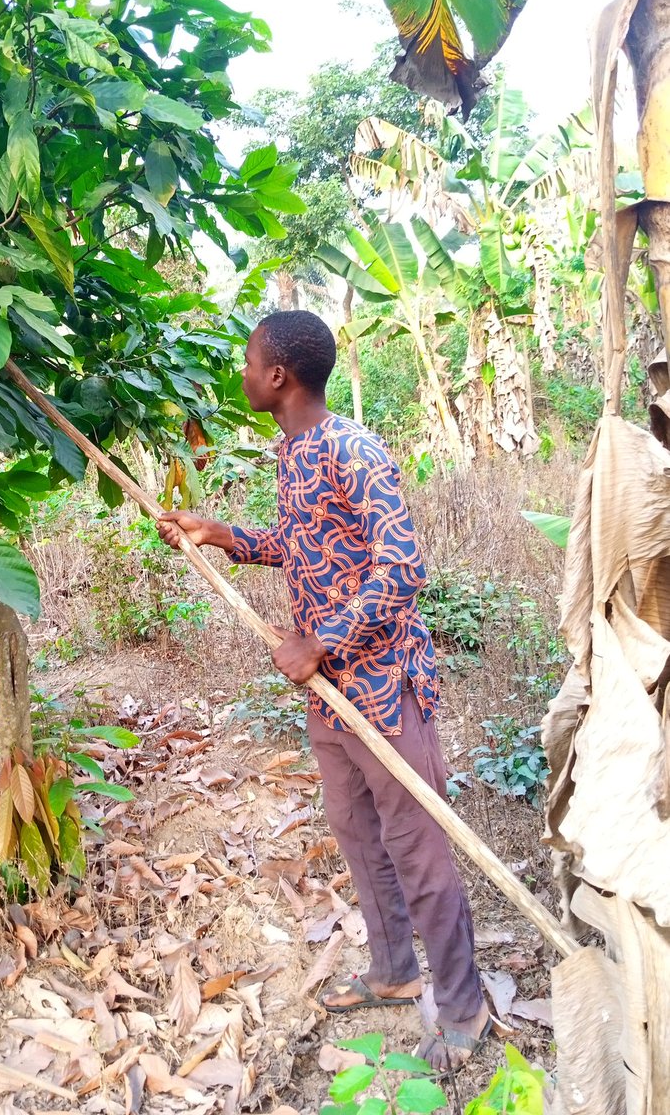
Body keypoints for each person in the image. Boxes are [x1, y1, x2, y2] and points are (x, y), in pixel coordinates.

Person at [156, 310, 490, 1073]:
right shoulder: (293, 453)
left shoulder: (353, 449)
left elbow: (402, 570)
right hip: (328, 696)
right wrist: (221, 534)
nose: (241, 373)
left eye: (248, 363)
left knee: (417, 845)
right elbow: (301, 544)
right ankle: (394, 972)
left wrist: (322, 642)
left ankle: (464, 1005)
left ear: (280, 376)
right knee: (357, 835)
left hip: (378, 687)